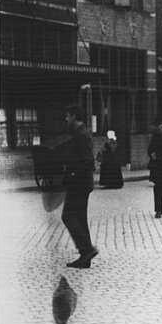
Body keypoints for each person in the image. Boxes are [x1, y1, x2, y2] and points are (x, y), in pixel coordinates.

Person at [57, 104, 98, 268]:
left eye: (67, 116)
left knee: (67, 216)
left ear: (74, 116)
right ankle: (85, 258)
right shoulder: (80, 133)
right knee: (79, 218)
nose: (66, 119)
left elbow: (88, 161)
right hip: (82, 183)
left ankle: (87, 249)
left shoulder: (82, 134)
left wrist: (72, 174)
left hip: (79, 184)